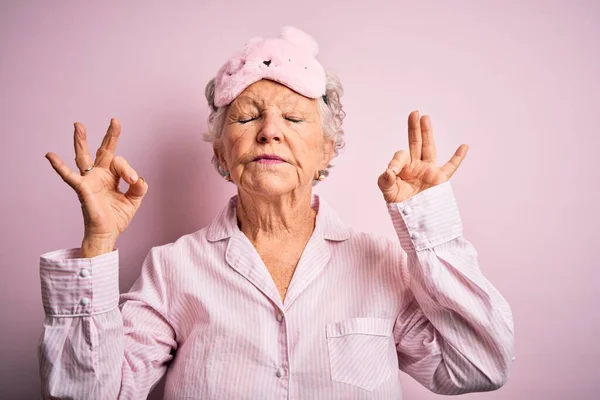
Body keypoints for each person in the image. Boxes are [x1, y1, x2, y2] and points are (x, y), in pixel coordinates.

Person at [39, 26, 514, 399]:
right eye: (246, 117)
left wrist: (426, 225)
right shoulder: (172, 269)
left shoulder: (383, 264)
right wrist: (98, 243)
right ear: (222, 154)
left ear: (327, 151)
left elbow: (478, 368)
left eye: (293, 118)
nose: (269, 132)